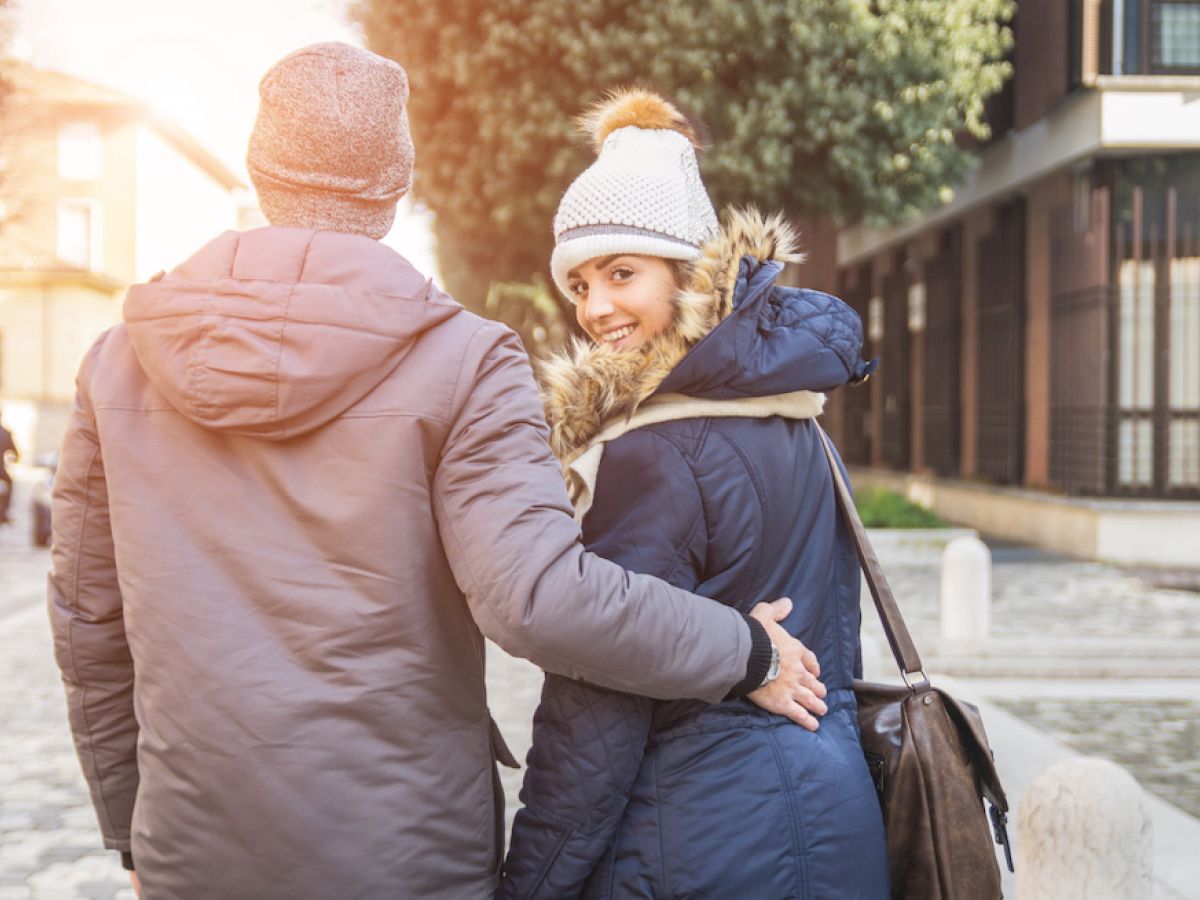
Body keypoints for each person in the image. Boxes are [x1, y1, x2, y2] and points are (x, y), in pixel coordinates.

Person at [46, 44, 828, 899]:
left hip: (192, 853)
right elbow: (537, 598)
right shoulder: (466, 359)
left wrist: (132, 829)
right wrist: (746, 649)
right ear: (397, 188)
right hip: (410, 858)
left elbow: (90, 623)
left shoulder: (115, 364)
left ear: (258, 170)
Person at [498, 90, 890, 898]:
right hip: (834, 823)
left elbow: (595, 718)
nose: (595, 306)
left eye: (621, 272)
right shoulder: (799, 419)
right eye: (578, 284)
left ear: (688, 270)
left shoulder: (651, 453)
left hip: (693, 844)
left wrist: (529, 885)